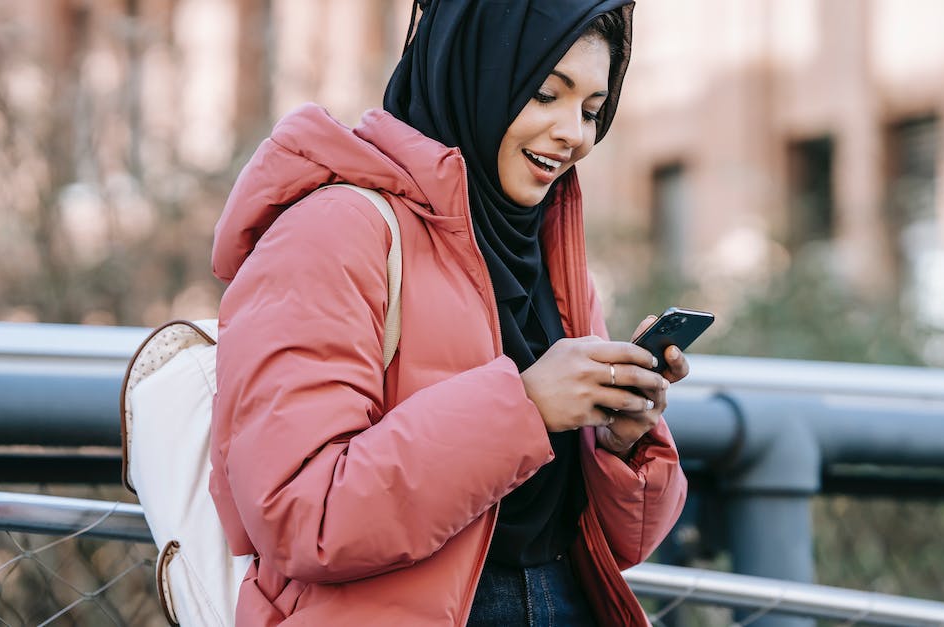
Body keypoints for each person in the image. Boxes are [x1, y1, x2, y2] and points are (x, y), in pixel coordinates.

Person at [208, 1, 688, 625]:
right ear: (477, 72)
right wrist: (526, 408)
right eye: (546, 93)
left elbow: (622, 545)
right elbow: (301, 514)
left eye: (593, 110)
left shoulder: (545, 245)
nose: (576, 133)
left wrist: (618, 441)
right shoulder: (334, 230)